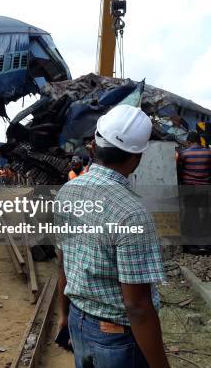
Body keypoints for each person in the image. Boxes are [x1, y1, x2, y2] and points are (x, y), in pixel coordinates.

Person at [55, 105, 169, 368]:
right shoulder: (132, 213)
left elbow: (63, 261)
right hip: (117, 338)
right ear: (137, 157)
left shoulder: (67, 191)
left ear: (93, 146)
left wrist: (64, 314)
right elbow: (137, 306)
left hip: (77, 320)